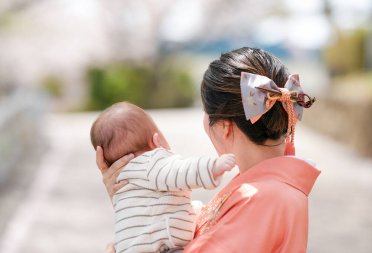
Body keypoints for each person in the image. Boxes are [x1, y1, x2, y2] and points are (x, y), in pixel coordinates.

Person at [96, 47, 321, 253]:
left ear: (224, 127)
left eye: (206, 114)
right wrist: (135, 197)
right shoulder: (265, 190)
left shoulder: (259, 198)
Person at [90, 102, 236, 253]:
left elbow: (160, 208)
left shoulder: (120, 182)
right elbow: (181, 171)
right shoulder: (151, 161)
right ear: (156, 139)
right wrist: (213, 167)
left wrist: (195, 209)